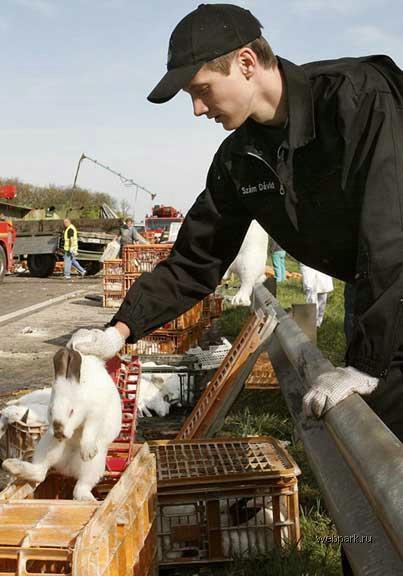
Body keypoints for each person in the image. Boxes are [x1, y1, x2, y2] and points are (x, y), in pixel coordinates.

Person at [69, 3, 403, 474]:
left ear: (246, 63)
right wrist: (118, 331)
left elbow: (389, 234)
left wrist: (367, 363)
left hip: (395, 280)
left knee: (382, 463)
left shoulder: (359, 101)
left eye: (202, 90)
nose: (197, 108)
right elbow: (195, 260)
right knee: (377, 463)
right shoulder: (240, 158)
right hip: (379, 296)